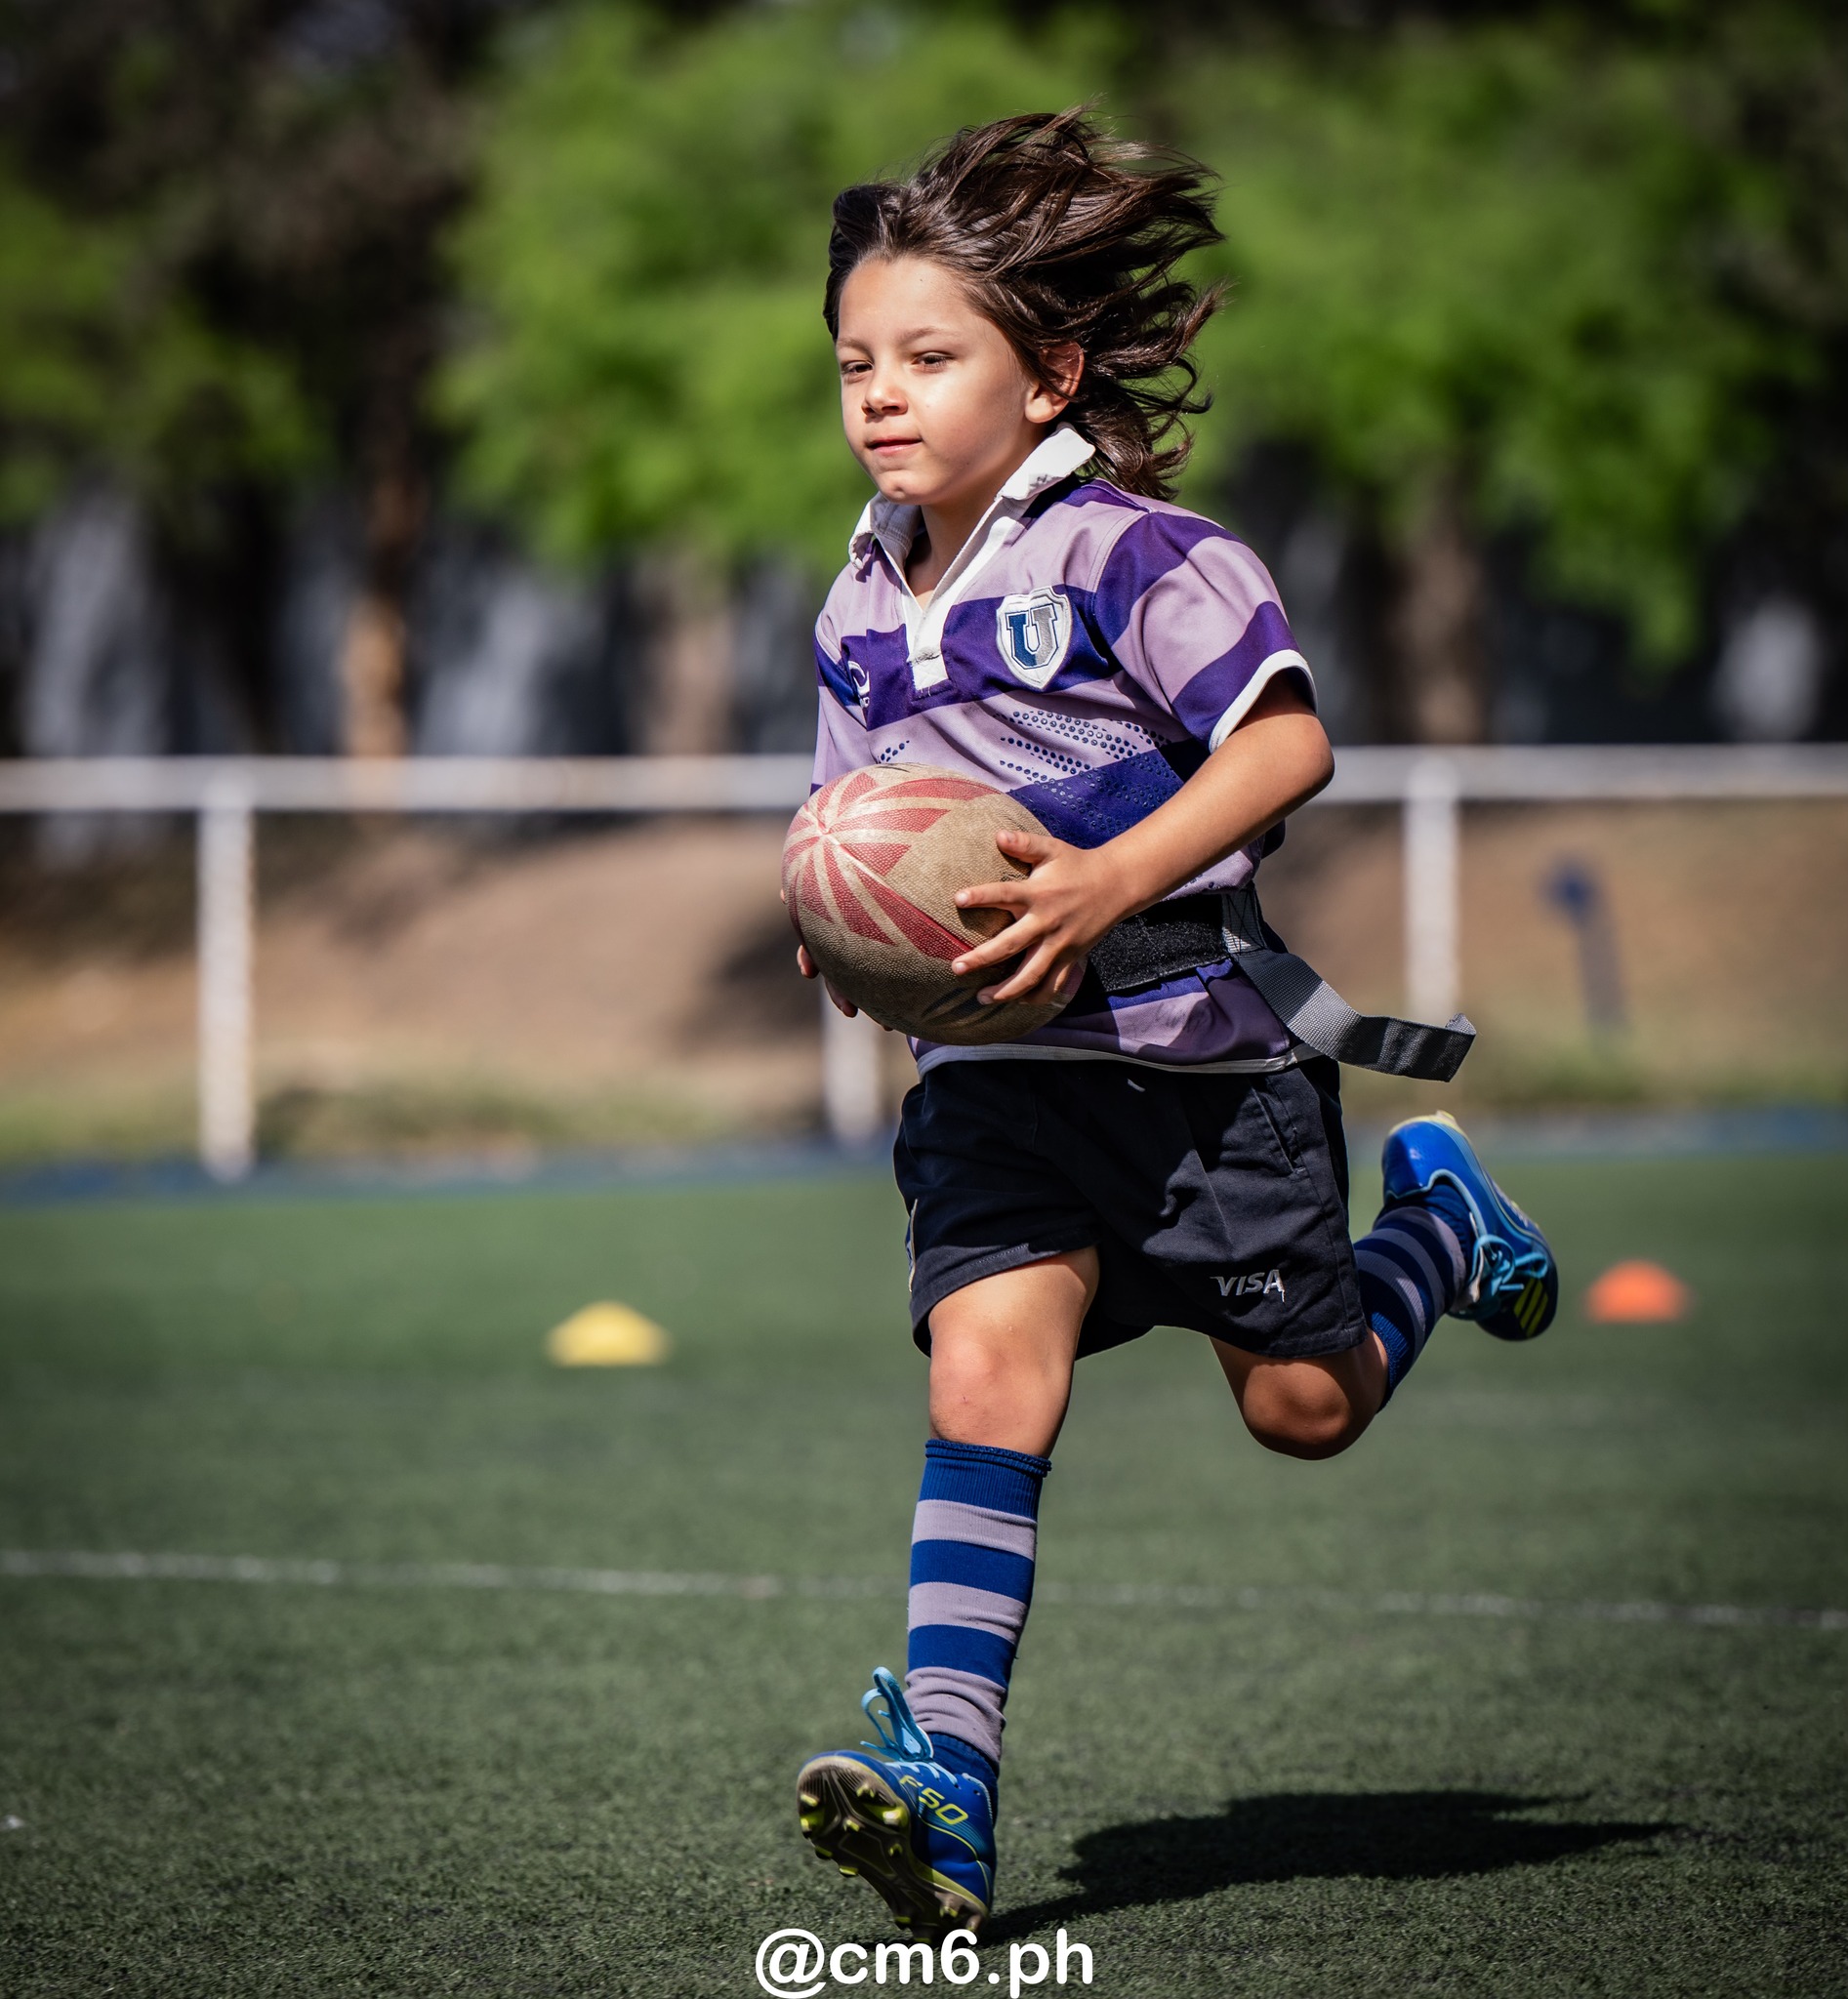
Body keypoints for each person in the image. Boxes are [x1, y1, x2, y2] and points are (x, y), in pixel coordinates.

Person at [789, 109, 1558, 1942]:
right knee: (985, 1377)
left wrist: (1102, 883)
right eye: (852, 365)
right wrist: (837, 921)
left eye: (926, 357)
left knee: (1301, 1412)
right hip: (994, 1083)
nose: (879, 397)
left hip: (1204, 1070)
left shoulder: (1143, 557)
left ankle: (1433, 1226)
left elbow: (1287, 743)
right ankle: (948, 1791)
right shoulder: (857, 599)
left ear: (1047, 372)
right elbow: (848, 821)